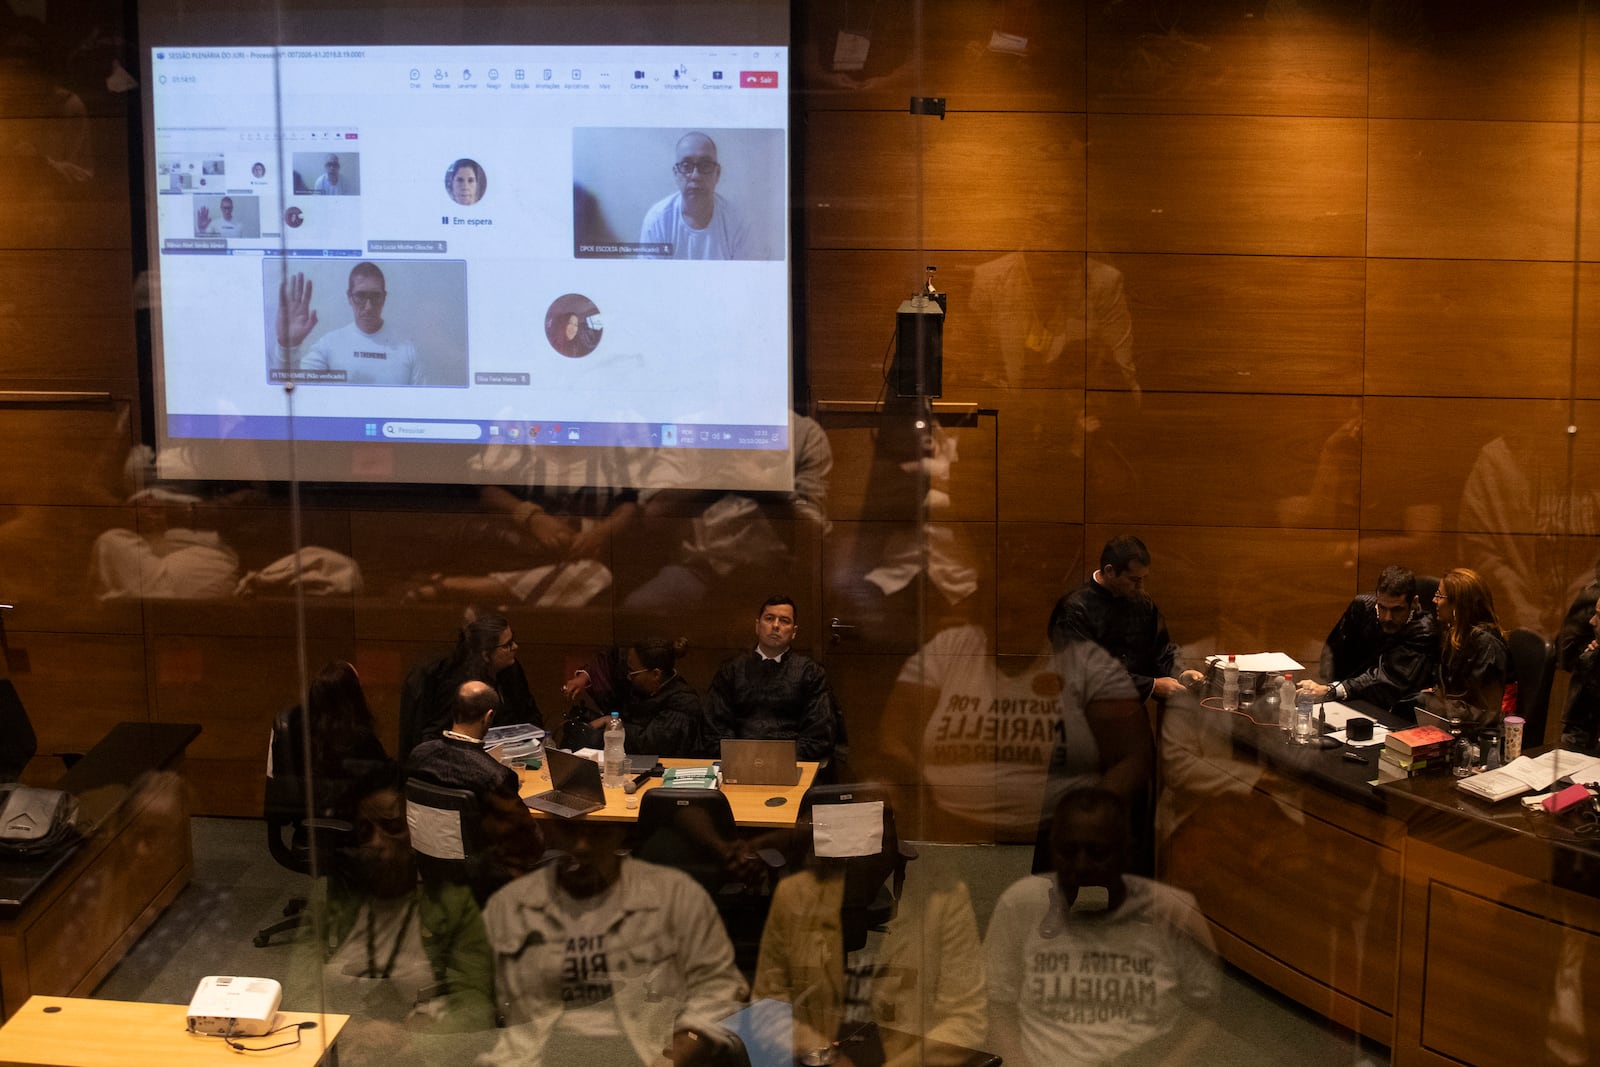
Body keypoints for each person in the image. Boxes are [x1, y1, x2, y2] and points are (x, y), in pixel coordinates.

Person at [480, 818, 748, 1065]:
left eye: (598, 833)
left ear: (622, 835)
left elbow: (719, 988)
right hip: (537, 1056)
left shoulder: (676, 896)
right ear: (546, 832)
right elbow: (472, 996)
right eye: (569, 831)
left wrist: (676, 1052)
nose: (582, 847)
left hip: (649, 1051)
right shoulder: (508, 908)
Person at [984, 789, 1220, 1067]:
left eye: (1097, 853)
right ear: (1053, 848)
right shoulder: (1021, 903)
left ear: (1126, 851)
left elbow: (1206, 1013)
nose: (1081, 866)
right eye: (1068, 851)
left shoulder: (1172, 911)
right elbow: (995, 1003)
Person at [1047, 535, 1203, 703]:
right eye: (1134, 579)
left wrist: (1181, 672)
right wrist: (1152, 685)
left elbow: (1160, 650)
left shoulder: (1141, 603)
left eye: (1143, 579)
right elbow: (1086, 673)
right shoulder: (1073, 609)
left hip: (1130, 712)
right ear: (1110, 571)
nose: (1140, 586)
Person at [702, 595, 841, 764]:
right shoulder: (732, 669)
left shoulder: (811, 672)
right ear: (757, 626)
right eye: (769, 619)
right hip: (738, 764)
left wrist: (777, 761)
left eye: (784, 621)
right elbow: (715, 726)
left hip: (793, 764)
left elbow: (819, 732)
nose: (775, 626)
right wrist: (740, 758)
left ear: (794, 632)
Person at [400, 608, 543, 761]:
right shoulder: (461, 686)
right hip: (465, 762)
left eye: (513, 639)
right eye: (507, 645)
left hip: (511, 757)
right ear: (485, 655)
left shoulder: (511, 669)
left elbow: (530, 715)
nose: (515, 647)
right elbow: (436, 737)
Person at [1299, 565, 1438, 712]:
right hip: (1348, 699)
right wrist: (1324, 687)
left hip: (1392, 708)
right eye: (1382, 607)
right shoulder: (1363, 607)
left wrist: (1332, 690)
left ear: (1414, 603)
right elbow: (1332, 653)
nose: (1387, 617)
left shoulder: (1424, 631)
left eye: (1397, 610)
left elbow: (1387, 680)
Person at [276, 262, 422, 385]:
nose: (369, 306)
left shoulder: (408, 349)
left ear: (384, 298)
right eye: (360, 296)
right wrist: (288, 347)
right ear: (349, 298)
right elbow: (293, 386)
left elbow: (422, 404)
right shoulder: (329, 344)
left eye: (375, 296)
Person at [560, 637, 705, 757]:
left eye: (632, 672)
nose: (628, 676)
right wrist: (584, 677)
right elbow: (613, 662)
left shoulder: (684, 703)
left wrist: (613, 724)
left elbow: (651, 745)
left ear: (656, 674)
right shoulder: (640, 681)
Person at [639, 132, 754, 260]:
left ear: (718, 173)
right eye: (686, 166)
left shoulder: (737, 222)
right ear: (676, 174)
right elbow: (651, 277)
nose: (696, 176)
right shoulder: (657, 220)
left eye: (705, 165)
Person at [1431, 567, 1513, 725]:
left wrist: (1435, 705)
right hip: (1453, 723)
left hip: (1480, 737)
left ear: (1458, 605)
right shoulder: (1455, 634)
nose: (1434, 601)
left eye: (1439, 596)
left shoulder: (1488, 646)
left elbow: (1483, 711)